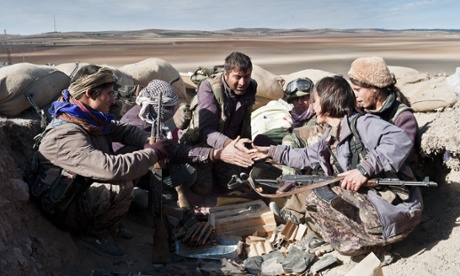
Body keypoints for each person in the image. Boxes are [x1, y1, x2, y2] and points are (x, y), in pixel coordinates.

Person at [252, 76, 422, 259]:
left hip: (397, 211)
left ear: (326, 101)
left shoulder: (364, 123)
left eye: (314, 101)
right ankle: (367, 244)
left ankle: (379, 247)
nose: (312, 106)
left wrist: (364, 170)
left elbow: (400, 139)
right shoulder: (332, 136)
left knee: (321, 197)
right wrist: (272, 152)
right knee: (317, 199)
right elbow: (305, 155)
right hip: (378, 210)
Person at [29, 65, 174, 257]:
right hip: (65, 207)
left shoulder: (90, 119)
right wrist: (153, 154)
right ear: (90, 93)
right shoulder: (65, 133)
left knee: (133, 157)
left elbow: (123, 130)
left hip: (81, 189)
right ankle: (96, 234)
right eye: (109, 93)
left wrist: (147, 142)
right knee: (120, 185)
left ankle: (110, 223)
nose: (114, 99)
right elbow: (110, 168)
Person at [113, 79, 254, 207]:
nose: (172, 112)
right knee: (146, 199)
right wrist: (215, 154)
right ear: (153, 105)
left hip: (149, 165)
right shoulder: (138, 125)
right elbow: (174, 150)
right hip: (129, 174)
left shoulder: (150, 116)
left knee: (189, 172)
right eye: (168, 108)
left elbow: (174, 149)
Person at [180, 51, 257, 195]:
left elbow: (246, 123)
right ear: (226, 74)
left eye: (246, 77)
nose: (242, 82)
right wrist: (230, 145)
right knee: (203, 188)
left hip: (230, 144)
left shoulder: (250, 87)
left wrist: (245, 148)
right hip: (204, 146)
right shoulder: (209, 87)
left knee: (237, 186)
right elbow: (206, 131)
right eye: (237, 77)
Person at [348, 56, 420, 178]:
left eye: (358, 89)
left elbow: (401, 155)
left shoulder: (403, 118)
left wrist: (366, 168)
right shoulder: (358, 111)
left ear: (374, 89)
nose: (355, 95)